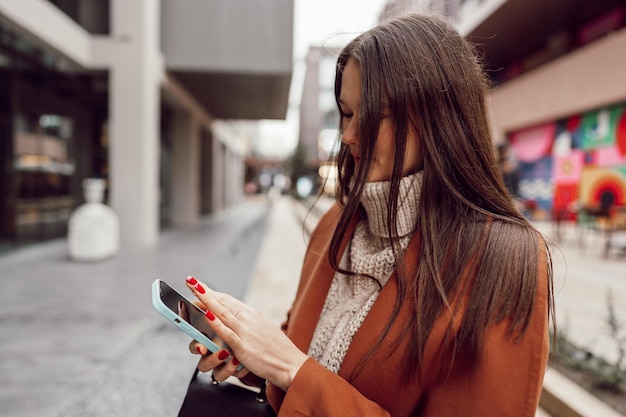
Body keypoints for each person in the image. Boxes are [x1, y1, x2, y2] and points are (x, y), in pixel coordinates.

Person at [183, 11, 555, 417]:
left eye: (374, 114)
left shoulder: (503, 261)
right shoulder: (338, 223)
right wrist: (252, 356)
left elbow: (300, 369)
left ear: (438, 118)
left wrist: (293, 371)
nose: (349, 135)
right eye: (346, 112)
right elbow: (303, 350)